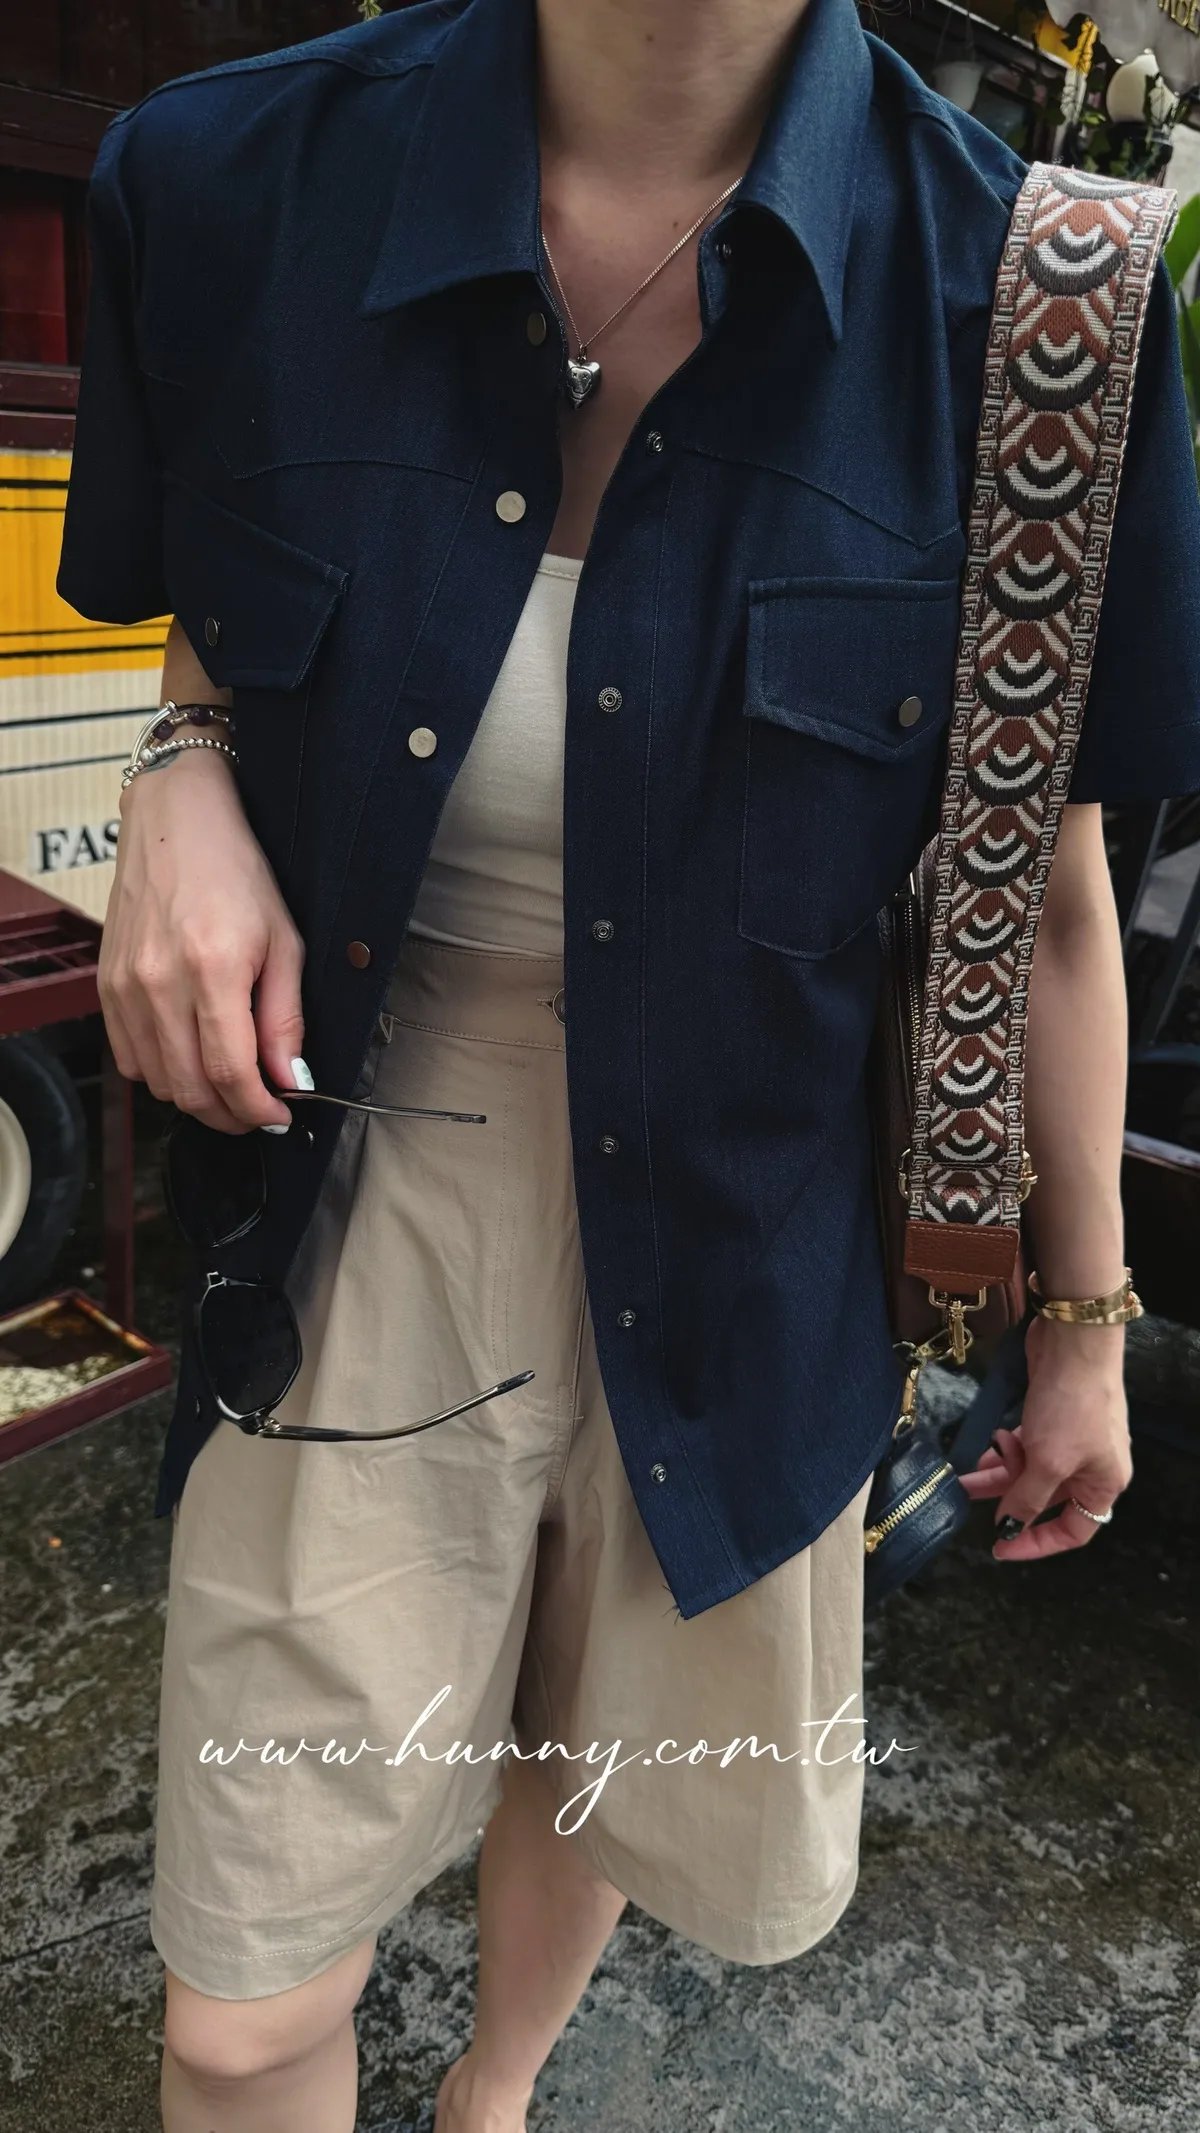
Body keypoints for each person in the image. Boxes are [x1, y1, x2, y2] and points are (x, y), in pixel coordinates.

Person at [55, 0, 1200, 2126]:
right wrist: (181, 761)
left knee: (594, 1754)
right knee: (241, 2005)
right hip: (361, 1197)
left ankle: (492, 2096)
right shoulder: (228, 186)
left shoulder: (1037, 310)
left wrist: (1083, 1330)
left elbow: (1047, 895)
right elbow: (209, 597)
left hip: (747, 1237)